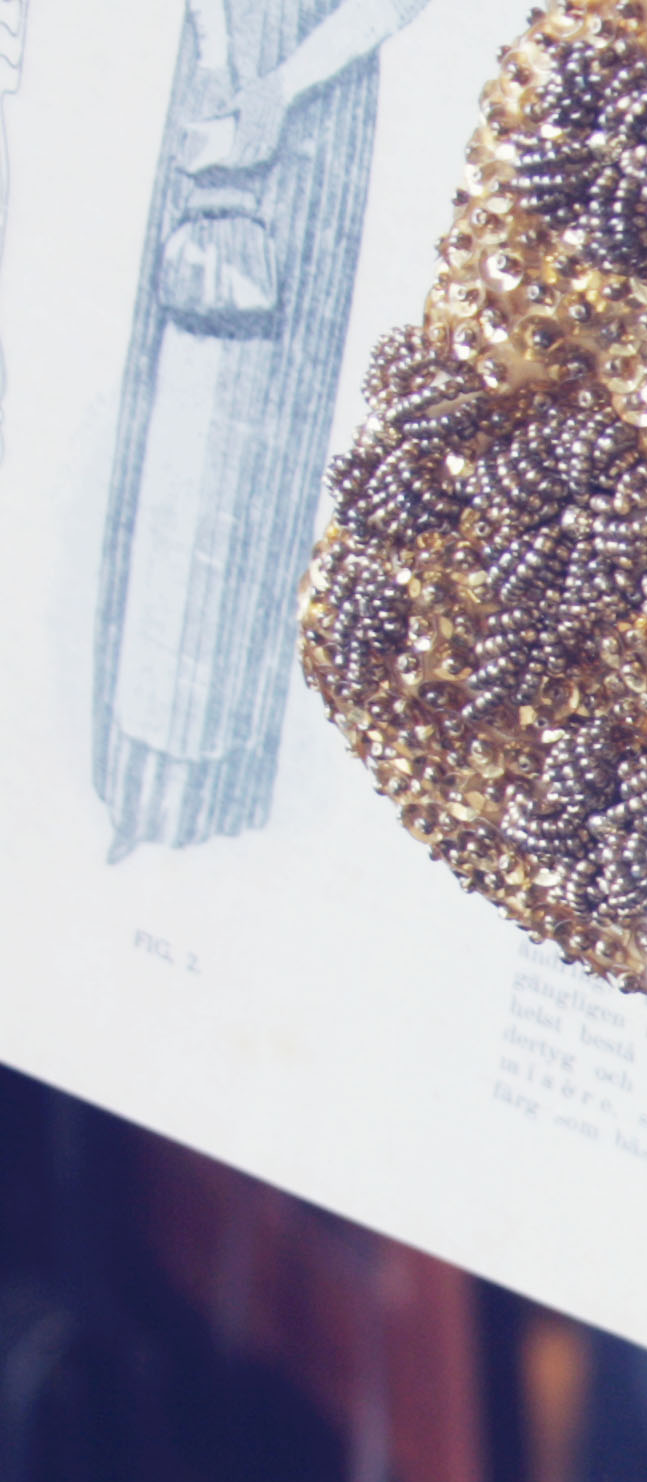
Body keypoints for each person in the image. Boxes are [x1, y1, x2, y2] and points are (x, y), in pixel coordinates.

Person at [95, 0, 435, 856]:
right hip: (221, 85)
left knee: (249, 466)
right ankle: (133, 778)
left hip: (310, 116)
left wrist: (278, 90)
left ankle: (207, 801)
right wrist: (220, 58)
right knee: (174, 426)